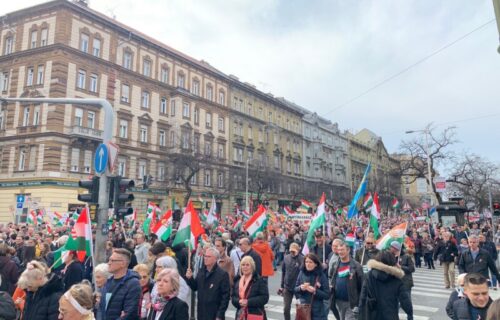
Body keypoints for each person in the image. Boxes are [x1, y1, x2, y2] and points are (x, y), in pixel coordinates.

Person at [358, 250, 413, 320]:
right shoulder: (397, 279)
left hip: (372, 314)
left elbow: (363, 297)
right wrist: (410, 314)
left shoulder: (369, 275)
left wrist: (360, 314)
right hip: (390, 314)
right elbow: (405, 300)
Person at [186, 246, 230, 320]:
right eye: (205, 256)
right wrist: (190, 278)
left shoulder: (222, 274)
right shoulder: (201, 271)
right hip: (201, 312)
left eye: (208, 256)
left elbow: (225, 297)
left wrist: (220, 315)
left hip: (214, 313)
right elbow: (195, 287)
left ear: (215, 259)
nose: (205, 258)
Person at [98, 248, 141, 320]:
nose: (109, 263)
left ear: (123, 263)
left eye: (112, 260)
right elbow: (100, 308)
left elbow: (129, 313)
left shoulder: (133, 284)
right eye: (109, 260)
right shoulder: (108, 282)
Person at [330, 242, 363, 320]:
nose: (340, 252)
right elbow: (331, 278)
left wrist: (359, 302)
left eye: (342, 250)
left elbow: (362, 285)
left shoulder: (356, 266)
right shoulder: (335, 264)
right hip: (338, 301)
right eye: (339, 250)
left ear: (348, 250)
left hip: (351, 302)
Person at [294, 253, 330, 320]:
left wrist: (315, 291)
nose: (308, 264)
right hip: (304, 308)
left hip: (318, 311)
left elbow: (327, 295)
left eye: (310, 262)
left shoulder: (321, 275)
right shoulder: (302, 273)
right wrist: (300, 288)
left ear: (315, 264)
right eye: (306, 262)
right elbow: (295, 289)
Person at [280, 242, 304, 320]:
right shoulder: (286, 258)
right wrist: (282, 286)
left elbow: (303, 269)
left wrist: (298, 257)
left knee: (300, 309)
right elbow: (283, 272)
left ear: (298, 250)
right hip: (287, 287)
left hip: (298, 288)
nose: (292, 252)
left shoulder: (302, 258)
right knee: (286, 308)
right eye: (291, 251)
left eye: (294, 251)